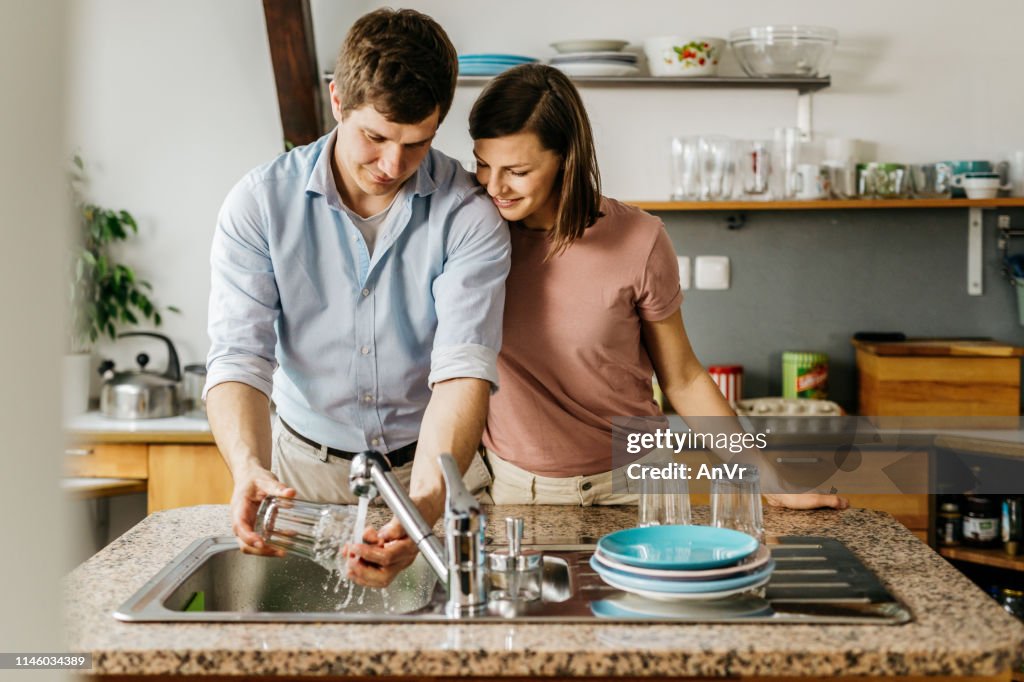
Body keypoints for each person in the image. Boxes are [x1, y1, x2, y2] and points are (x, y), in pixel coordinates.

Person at [205, 8, 510, 589]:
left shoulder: (468, 212)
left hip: (432, 469)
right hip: (300, 480)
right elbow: (240, 357)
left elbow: (463, 369)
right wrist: (247, 467)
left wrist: (425, 503)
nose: (393, 165)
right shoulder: (260, 204)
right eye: (375, 137)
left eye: (417, 143)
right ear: (337, 101)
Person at [468, 63, 847, 510]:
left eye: (516, 170)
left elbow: (683, 378)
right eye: (482, 164)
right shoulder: (472, 234)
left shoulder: (639, 239)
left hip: (635, 484)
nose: (494, 186)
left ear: (565, 159)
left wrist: (770, 482)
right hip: (517, 490)